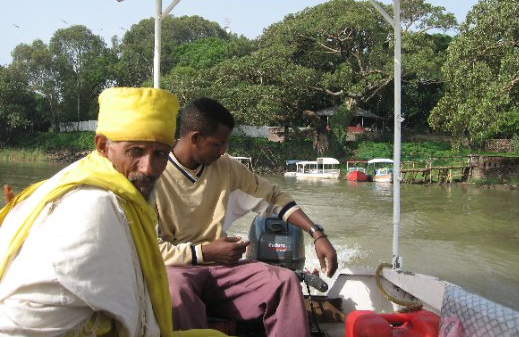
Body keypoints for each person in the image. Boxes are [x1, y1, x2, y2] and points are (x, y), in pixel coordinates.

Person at [0, 88, 227, 337]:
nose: (149, 169)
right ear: (102, 146)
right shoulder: (94, 207)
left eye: (160, 154)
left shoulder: (99, 183)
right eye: (136, 151)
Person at [155, 97, 338, 336]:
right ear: (195, 138)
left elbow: (273, 197)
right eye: (218, 144)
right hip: (177, 270)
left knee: (285, 282)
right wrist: (206, 252)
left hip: (220, 269)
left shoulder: (226, 167)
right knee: (175, 289)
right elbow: (149, 250)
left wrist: (316, 234)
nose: (223, 151)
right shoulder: (153, 173)